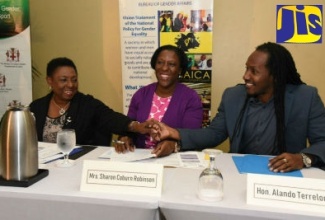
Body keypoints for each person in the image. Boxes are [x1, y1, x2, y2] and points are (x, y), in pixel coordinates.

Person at [151, 42, 325, 172]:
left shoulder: (306, 97)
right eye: (246, 69)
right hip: (240, 174)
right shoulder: (233, 96)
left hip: (286, 177)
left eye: (254, 72)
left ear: (275, 76)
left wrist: (302, 158)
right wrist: (175, 133)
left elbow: (323, 141)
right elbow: (214, 134)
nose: (245, 76)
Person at [29, 57, 150, 146]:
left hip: (77, 165)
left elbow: (110, 118)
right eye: (63, 80)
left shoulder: (87, 104)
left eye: (74, 80)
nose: (70, 85)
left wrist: (136, 126)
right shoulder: (37, 107)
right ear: (49, 81)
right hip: (45, 168)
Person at [115, 45, 203, 157]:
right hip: (139, 159)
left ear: (180, 69)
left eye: (171, 64)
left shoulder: (191, 98)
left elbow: (192, 136)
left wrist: (173, 145)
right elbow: (129, 125)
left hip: (173, 161)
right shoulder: (141, 94)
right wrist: (125, 137)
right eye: (160, 62)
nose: (164, 68)